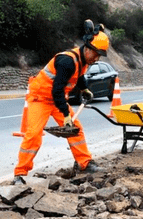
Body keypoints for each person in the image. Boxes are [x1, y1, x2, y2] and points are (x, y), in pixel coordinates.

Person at [13, 19, 109, 185]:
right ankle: (19, 174)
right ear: (87, 48)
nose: (97, 57)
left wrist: (84, 89)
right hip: (40, 98)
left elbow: (79, 76)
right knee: (33, 135)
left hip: (56, 99)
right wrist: (65, 115)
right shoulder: (67, 61)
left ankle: (85, 163)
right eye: (95, 53)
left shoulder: (83, 61)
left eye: (99, 55)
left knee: (75, 130)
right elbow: (56, 91)